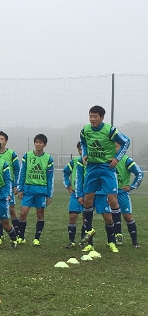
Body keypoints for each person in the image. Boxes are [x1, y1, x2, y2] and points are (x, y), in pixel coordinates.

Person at [79, 105, 129, 249]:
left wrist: (117, 158)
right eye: (90, 116)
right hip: (92, 168)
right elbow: (83, 143)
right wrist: (84, 154)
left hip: (107, 168)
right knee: (87, 199)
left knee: (112, 199)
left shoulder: (110, 130)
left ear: (102, 117)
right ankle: (89, 230)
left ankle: (118, 233)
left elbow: (126, 142)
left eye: (95, 116)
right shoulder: (85, 130)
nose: (92, 119)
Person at [17, 134, 53, 245]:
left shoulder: (48, 158)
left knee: (40, 214)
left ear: (45, 144)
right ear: (34, 143)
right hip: (28, 189)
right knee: (23, 213)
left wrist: (49, 195)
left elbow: (50, 178)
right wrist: (20, 189)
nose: (38, 144)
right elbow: (22, 173)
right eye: (36, 142)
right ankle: (21, 237)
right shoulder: (27, 156)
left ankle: (36, 238)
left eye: (40, 142)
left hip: (41, 191)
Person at [113, 141, 143, 248]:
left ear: (121, 148)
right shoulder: (107, 159)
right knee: (112, 218)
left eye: (116, 146)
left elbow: (139, 173)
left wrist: (131, 186)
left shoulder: (126, 160)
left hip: (122, 194)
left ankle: (135, 242)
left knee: (127, 217)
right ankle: (115, 240)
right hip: (110, 194)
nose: (114, 148)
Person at [62, 142, 86, 249]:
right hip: (75, 193)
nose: (82, 151)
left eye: (83, 149)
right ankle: (71, 242)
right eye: (80, 149)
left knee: (86, 219)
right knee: (72, 216)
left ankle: (83, 241)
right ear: (78, 150)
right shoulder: (75, 161)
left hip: (88, 194)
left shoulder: (94, 162)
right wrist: (68, 185)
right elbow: (65, 172)